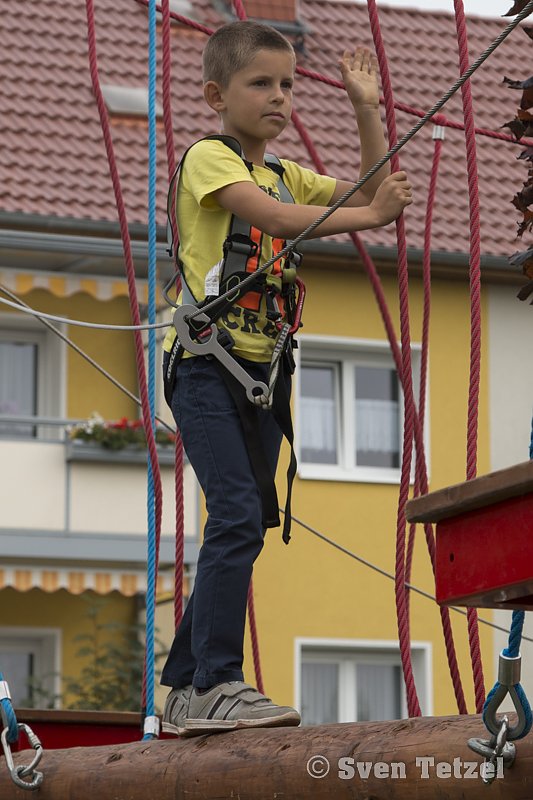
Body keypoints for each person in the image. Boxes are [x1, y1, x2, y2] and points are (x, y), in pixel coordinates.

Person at [160, 20, 412, 737]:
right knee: (236, 517)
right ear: (217, 95)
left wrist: (364, 107)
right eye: (261, 84)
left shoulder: (284, 170)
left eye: (288, 85)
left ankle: (183, 688)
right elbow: (271, 217)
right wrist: (369, 215)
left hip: (263, 372)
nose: (279, 97)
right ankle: (216, 682)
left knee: (248, 522)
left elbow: (367, 186)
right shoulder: (209, 160)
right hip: (207, 367)